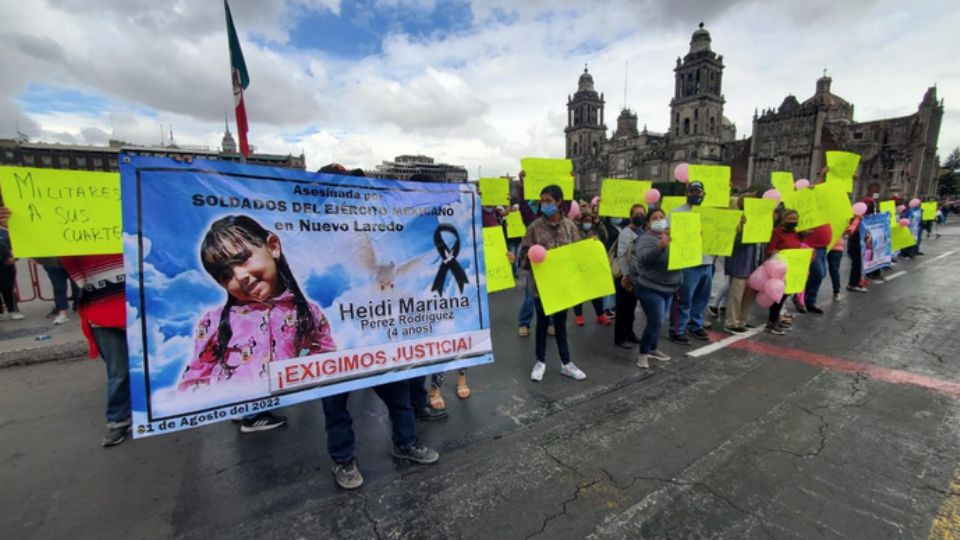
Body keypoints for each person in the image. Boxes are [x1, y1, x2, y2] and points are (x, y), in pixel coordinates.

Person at [4, 202, 128, 446]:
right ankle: (118, 421)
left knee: (156, 366)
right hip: (102, 312)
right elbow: (46, 256)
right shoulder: (75, 235)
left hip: (143, 310)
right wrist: (17, 228)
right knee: (119, 371)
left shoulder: (136, 225)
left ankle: (157, 414)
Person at [520, 184, 587, 381]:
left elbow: (578, 252)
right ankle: (540, 361)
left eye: (549, 201)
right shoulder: (534, 228)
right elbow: (524, 257)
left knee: (560, 324)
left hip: (564, 284)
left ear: (559, 202)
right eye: (543, 201)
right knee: (542, 323)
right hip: (542, 287)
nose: (544, 204)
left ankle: (566, 363)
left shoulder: (570, 226)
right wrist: (532, 257)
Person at [629, 208, 679, 368]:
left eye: (661, 217)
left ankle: (653, 348)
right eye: (654, 218)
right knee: (655, 321)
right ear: (648, 222)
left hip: (669, 287)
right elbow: (643, 260)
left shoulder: (673, 236)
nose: (659, 220)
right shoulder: (645, 239)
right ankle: (643, 354)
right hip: (650, 288)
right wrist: (660, 247)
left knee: (660, 321)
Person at [669, 181, 715, 344]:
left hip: (706, 261)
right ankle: (677, 329)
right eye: (693, 192)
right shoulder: (676, 212)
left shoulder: (709, 213)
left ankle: (695, 325)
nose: (696, 195)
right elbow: (668, 235)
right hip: (687, 263)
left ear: (704, 194)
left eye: (699, 192)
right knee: (683, 299)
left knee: (702, 298)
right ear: (687, 193)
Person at [723, 195, 761, 333]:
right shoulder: (736, 220)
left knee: (749, 294)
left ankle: (742, 319)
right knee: (736, 294)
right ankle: (731, 321)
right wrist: (745, 230)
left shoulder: (759, 220)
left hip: (753, 263)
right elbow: (733, 242)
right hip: (740, 263)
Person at [765, 210, 803, 335]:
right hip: (779, 269)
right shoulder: (777, 233)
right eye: (790, 219)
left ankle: (776, 319)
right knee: (778, 296)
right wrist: (775, 252)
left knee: (785, 295)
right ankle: (772, 322)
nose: (792, 222)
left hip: (791, 269)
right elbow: (769, 250)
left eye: (794, 219)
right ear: (783, 220)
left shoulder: (794, 233)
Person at [613, 204, 646, 348]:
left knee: (631, 307)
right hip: (625, 277)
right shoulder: (627, 232)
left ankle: (629, 333)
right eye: (636, 214)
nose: (639, 216)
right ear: (631, 215)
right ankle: (620, 337)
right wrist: (625, 275)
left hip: (636, 277)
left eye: (642, 213)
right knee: (622, 308)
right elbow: (621, 255)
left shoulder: (642, 230)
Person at [572, 209, 611, 326]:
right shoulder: (576, 230)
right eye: (586, 221)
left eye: (590, 221)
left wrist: (599, 223)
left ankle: (600, 315)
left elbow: (605, 237)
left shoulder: (596, 230)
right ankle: (578, 315)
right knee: (579, 291)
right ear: (581, 221)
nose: (588, 223)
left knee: (597, 291)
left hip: (593, 265)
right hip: (578, 265)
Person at [798, 222, 832, 314]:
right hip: (811, 247)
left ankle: (808, 299)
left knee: (822, 273)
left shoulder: (823, 213)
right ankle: (804, 298)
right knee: (818, 273)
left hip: (823, 248)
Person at [0, 222, 24, 320]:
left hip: (5, 267)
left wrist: (14, 258)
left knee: (8, 289)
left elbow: (19, 246)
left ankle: (13, 310)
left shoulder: (5, 233)